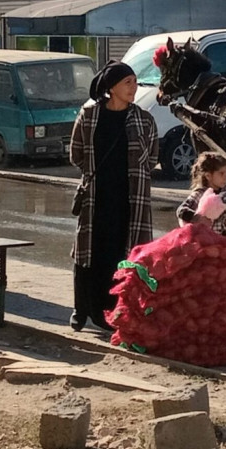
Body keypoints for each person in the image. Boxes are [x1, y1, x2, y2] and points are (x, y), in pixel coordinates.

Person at [68, 61, 158, 333]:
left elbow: (152, 158)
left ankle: (115, 311)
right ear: (111, 87)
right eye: (127, 82)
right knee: (89, 252)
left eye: (134, 82)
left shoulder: (143, 119)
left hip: (130, 199)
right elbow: (77, 154)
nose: (134, 87)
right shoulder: (90, 115)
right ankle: (82, 309)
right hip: (96, 197)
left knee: (123, 253)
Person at [177, 152, 226, 236]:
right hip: (202, 242)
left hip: (222, 242)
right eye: (221, 173)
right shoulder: (200, 194)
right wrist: (196, 218)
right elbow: (181, 210)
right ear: (208, 176)